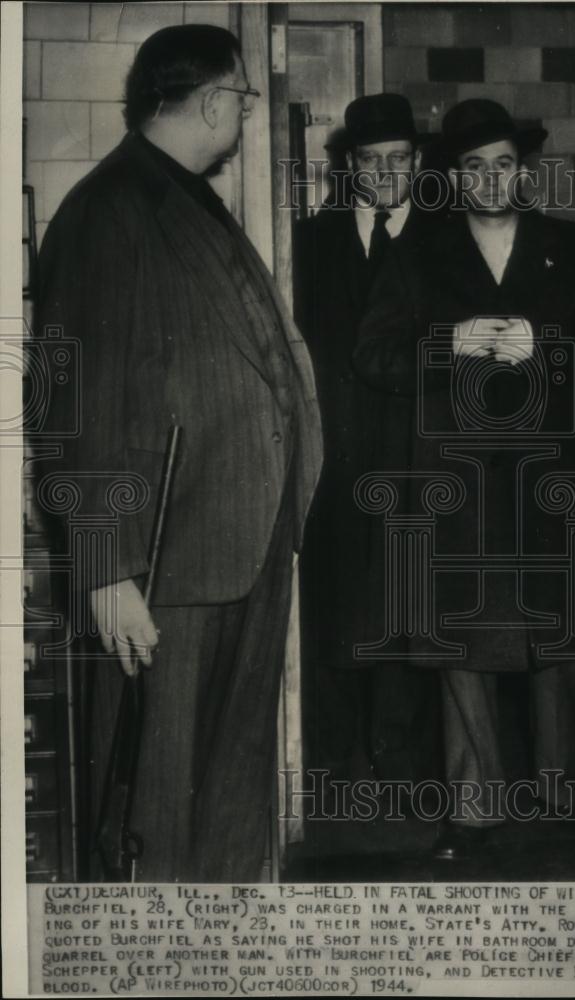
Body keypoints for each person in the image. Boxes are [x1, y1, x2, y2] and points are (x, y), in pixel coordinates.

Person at [36, 24, 322, 881]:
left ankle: (224, 949)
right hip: (167, 564)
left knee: (225, 788)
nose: (241, 112)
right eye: (240, 96)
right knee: (156, 799)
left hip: (236, 544)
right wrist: (102, 569)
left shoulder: (186, 196)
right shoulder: (109, 209)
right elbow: (68, 401)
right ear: (209, 101)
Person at [354, 99, 575, 858]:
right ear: (454, 175)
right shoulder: (417, 257)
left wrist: (548, 343)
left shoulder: (573, 251)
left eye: (503, 163)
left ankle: (562, 793)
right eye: (473, 167)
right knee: (460, 645)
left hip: (549, 480)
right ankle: (473, 808)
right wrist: (448, 342)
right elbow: (374, 358)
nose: (488, 179)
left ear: (525, 168)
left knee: (559, 639)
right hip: (457, 485)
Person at [294, 94, 441, 790]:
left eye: (399, 159)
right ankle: (334, 760)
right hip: (333, 452)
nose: (385, 172)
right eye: (371, 160)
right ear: (350, 167)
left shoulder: (447, 243)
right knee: (335, 601)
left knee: (408, 603)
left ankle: (401, 759)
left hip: (415, 453)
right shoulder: (308, 242)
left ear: (417, 165)